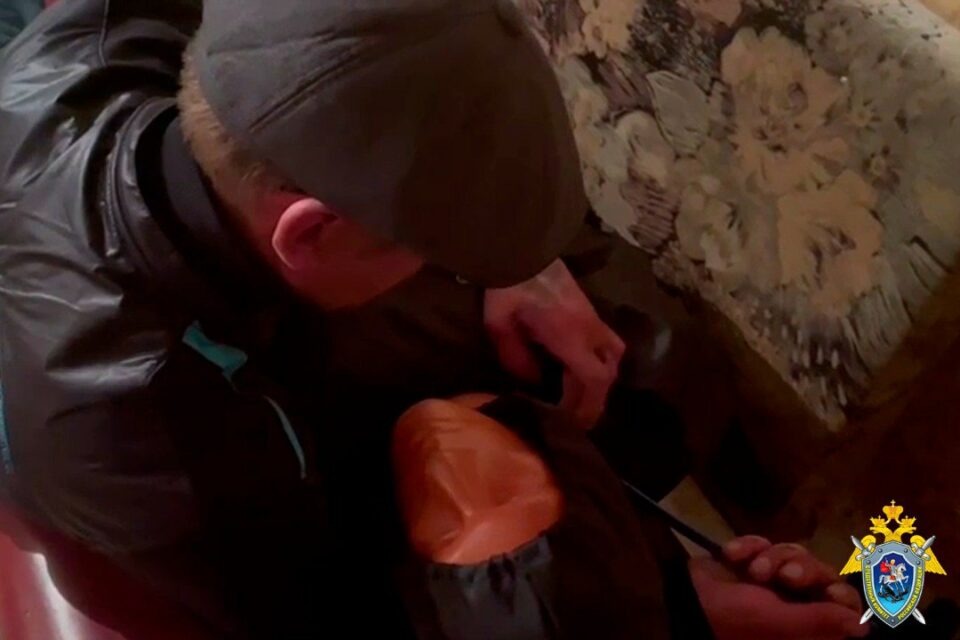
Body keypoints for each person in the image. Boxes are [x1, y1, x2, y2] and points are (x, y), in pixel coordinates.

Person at [0, 0, 866, 638]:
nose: (447, 268)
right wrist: (672, 607)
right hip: (168, 474)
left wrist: (526, 268)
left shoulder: (115, 35)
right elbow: (337, 613)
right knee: (540, 595)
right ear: (313, 231)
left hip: (230, 305)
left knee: (643, 377)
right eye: (429, 246)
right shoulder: (154, 438)